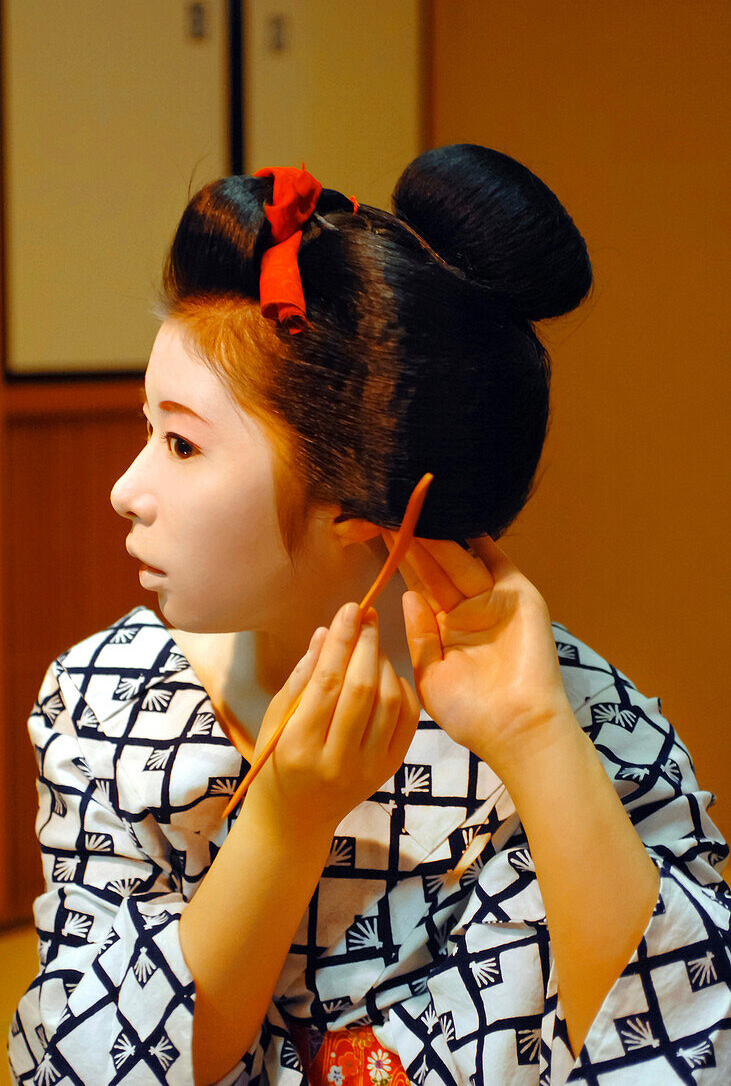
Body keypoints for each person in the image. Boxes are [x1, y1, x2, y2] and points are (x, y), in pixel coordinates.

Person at [7, 145, 730, 1086]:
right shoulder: (105, 704)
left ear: (354, 502)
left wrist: (537, 741)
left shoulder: (590, 727)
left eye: (181, 444)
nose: (125, 489)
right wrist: (281, 821)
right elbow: (85, 1064)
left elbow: (688, 1050)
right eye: (148, 429)